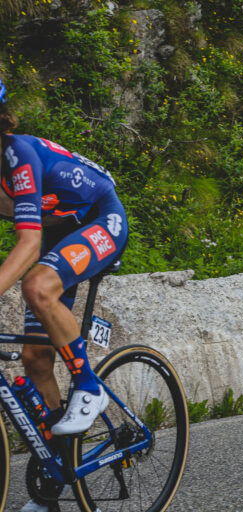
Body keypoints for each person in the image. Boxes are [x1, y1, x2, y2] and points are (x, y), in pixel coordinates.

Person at [0, 78, 128, 511]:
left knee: (36, 283)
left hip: (100, 217)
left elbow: (28, 247)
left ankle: (89, 386)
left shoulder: (19, 155)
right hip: (61, 233)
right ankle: (55, 479)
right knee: (36, 360)